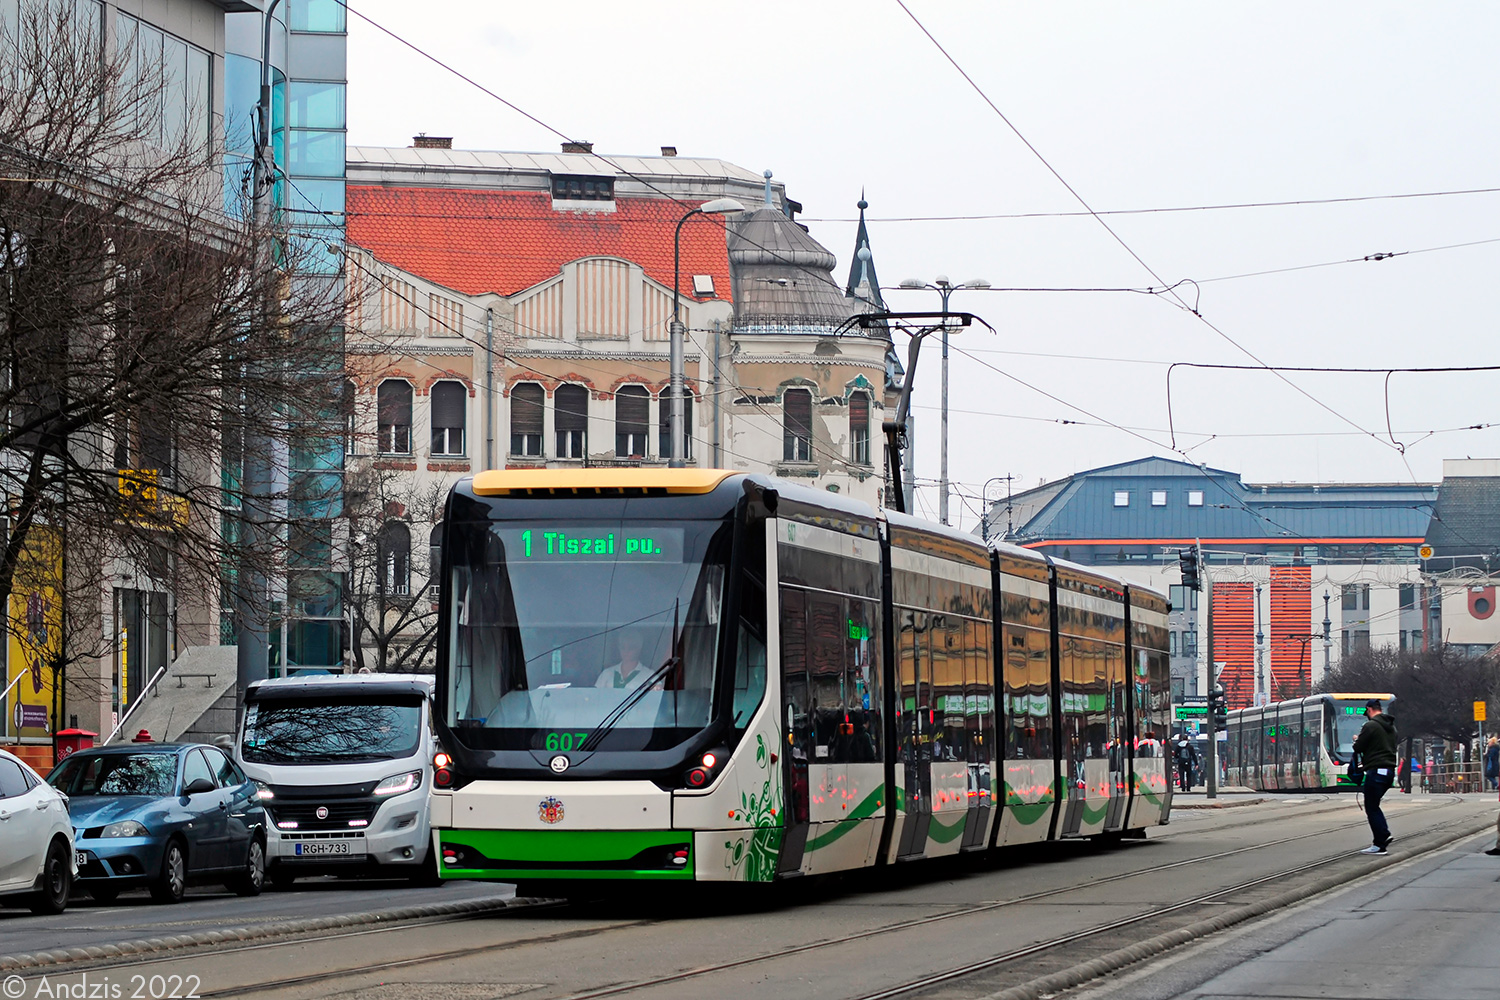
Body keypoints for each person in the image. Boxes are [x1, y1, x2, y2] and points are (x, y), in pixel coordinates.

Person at [1352, 699, 1398, 854]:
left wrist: (1356, 740)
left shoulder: (1370, 726)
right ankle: (1381, 838)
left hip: (1376, 770)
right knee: (1374, 804)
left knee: (1371, 807)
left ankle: (1381, 840)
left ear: (1369, 709)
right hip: (1389, 771)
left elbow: (1358, 747)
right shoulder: (1392, 728)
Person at [595, 632, 659, 690]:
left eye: (631, 648)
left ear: (639, 649)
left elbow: (657, 697)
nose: (626, 651)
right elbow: (596, 697)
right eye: (623, 647)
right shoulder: (607, 673)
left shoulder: (649, 675)